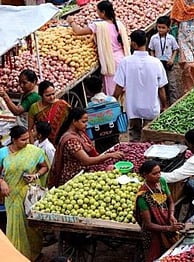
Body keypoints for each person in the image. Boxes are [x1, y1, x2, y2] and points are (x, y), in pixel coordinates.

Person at [0, 126, 49, 260]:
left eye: (28, 138)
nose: (26, 142)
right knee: (16, 226)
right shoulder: (3, 153)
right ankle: (17, 256)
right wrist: (2, 182)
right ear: (14, 140)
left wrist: (36, 176)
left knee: (32, 226)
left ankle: (35, 253)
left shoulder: (34, 151)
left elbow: (45, 167)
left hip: (30, 195)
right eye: (23, 140)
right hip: (12, 195)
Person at [114, 30, 169, 142]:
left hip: (133, 108)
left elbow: (119, 87)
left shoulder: (126, 62)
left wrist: (113, 100)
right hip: (151, 108)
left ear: (134, 44)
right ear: (146, 41)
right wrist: (164, 105)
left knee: (135, 140)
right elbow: (161, 88)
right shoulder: (156, 62)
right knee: (152, 140)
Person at [67, 0, 130, 96]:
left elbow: (78, 31)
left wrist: (71, 21)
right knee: (125, 89)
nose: (97, 13)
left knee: (113, 91)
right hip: (122, 58)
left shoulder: (98, 25)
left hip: (111, 62)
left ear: (103, 12)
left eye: (98, 11)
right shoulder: (118, 23)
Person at [48, 108, 123, 188]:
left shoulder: (79, 132)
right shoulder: (71, 141)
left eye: (86, 121)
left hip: (84, 169)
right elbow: (86, 161)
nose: (86, 124)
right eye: (83, 122)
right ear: (74, 121)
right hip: (75, 176)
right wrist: (109, 155)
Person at [134, 160, 183, 262]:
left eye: (159, 172)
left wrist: (171, 215)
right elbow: (148, 225)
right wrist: (169, 228)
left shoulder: (162, 182)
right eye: (154, 173)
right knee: (155, 257)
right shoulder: (143, 196)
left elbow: (171, 202)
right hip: (152, 234)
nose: (159, 175)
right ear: (145, 175)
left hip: (166, 224)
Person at [149, 16, 180, 105]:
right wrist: (153, 59)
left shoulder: (171, 38)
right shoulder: (153, 38)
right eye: (159, 27)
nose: (161, 30)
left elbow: (175, 49)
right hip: (158, 64)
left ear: (168, 28)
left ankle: (174, 103)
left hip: (168, 63)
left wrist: (172, 59)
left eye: (163, 28)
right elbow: (151, 49)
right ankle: (162, 103)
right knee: (160, 84)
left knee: (172, 84)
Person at [28, 80, 70, 144]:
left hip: (61, 140)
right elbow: (30, 130)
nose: (52, 97)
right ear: (41, 95)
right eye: (48, 95)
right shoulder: (34, 108)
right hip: (43, 142)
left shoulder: (62, 105)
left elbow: (71, 122)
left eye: (53, 94)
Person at [84, 75, 119, 153]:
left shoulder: (89, 106)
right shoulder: (112, 100)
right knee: (115, 149)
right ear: (102, 86)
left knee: (102, 153)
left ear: (88, 90)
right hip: (113, 131)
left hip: (98, 135)